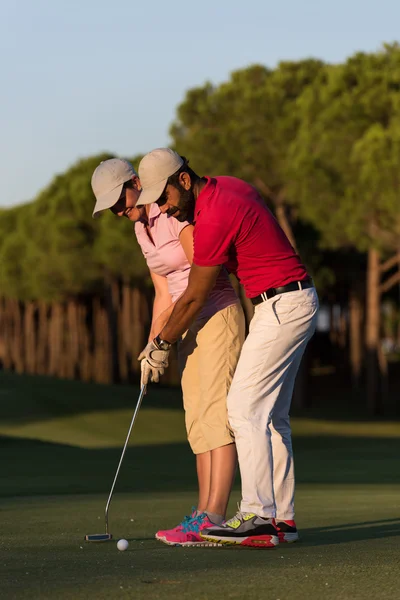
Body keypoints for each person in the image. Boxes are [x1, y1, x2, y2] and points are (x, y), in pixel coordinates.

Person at [137, 148, 319, 548]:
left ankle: (257, 514)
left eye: (165, 198)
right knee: (271, 416)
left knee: (241, 407)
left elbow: (195, 295)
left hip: (282, 305)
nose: (164, 210)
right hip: (290, 300)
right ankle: (282, 520)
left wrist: (162, 342)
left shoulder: (215, 214)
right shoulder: (227, 188)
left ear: (184, 181)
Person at [91, 158, 245, 546]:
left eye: (119, 200)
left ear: (137, 183)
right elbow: (163, 294)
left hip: (215, 316)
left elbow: (202, 279)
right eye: (110, 207)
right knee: (197, 420)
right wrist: (151, 347)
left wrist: (166, 339)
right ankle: (201, 513)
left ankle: (213, 516)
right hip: (182, 327)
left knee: (216, 417)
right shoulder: (141, 230)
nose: (118, 210)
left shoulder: (172, 213)